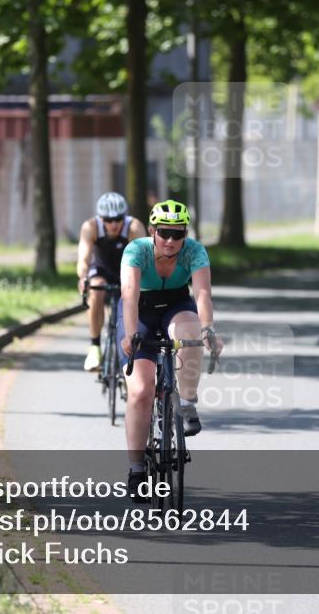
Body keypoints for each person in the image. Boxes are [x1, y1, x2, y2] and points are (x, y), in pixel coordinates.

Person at [118, 200, 223, 500]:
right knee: (140, 391)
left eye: (178, 234)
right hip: (138, 311)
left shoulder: (193, 251)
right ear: (151, 231)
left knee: (190, 336)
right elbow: (129, 295)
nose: (170, 240)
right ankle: (136, 468)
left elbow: (202, 294)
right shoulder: (136, 251)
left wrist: (208, 329)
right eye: (164, 233)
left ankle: (187, 402)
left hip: (176, 305)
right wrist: (129, 333)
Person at [76, 192, 146, 371]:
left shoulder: (134, 227)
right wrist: (83, 278)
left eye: (118, 219)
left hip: (127, 270)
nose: (114, 224)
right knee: (96, 289)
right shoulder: (90, 227)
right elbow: (83, 259)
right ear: (101, 218)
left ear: (125, 216)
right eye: (108, 220)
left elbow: (145, 259)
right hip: (101, 270)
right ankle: (95, 346)